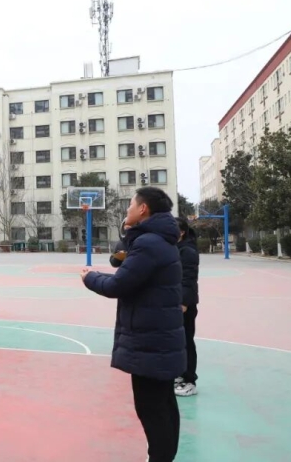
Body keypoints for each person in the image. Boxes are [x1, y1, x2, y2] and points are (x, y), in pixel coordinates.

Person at [80, 187, 185, 462]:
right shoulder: (161, 240)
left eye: (130, 205)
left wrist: (89, 278)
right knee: (163, 405)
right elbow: (129, 274)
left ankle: (159, 457)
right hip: (159, 335)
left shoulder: (148, 243)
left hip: (150, 339)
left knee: (152, 408)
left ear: (143, 209)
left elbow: (118, 285)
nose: (127, 210)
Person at [175, 217, 200, 397]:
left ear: (182, 232)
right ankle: (179, 374)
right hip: (172, 301)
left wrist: (184, 302)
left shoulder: (188, 250)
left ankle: (190, 380)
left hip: (185, 304)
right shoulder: (175, 248)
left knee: (186, 341)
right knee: (176, 341)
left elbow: (189, 279)